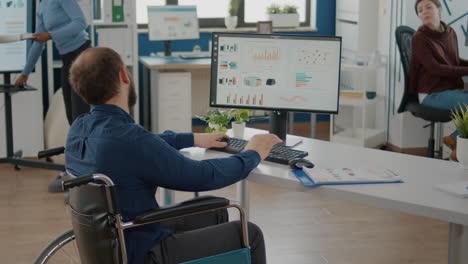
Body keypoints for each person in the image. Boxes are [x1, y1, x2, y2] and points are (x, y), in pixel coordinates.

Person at [66, 47, 281, 264]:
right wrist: (252, 154)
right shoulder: (129, 139)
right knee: (250, 233)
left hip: (114, 243)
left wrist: (192, 139)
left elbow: (144, 143)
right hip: (144, 250)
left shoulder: (79, 129)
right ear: (124, 74)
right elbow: (202, 176)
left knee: (214, 210)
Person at [14, 0, 90, 125]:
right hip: (67, 60)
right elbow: (38, 43)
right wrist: (25, 73)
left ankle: (86, 144)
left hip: (82, 55)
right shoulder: (42, 7)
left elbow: (81, 23)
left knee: (80, 116)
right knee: (71, 117)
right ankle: (78, 144)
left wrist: (51, 35)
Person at [409, 0, 468, 161]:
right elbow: (436, 68)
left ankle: (455, 139)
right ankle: (457, 140)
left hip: (448, 90)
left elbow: (454, 61)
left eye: (428, 7)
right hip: (430, 94)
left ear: (439, 9)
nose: (424, 12)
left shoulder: (450, 32)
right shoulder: (419, 38)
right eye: (420, 10)